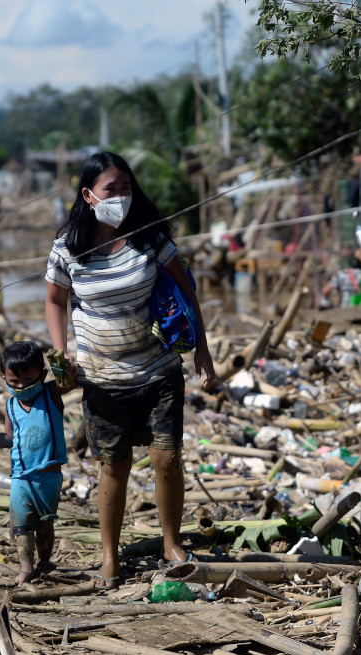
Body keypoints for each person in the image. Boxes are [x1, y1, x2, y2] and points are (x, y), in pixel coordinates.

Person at [45, 151, 216, 589]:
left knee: (166, 458)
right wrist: (60, 351)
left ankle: (171, 543)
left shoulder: (149, 236)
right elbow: (54, 301)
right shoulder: (68, 247)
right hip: (102, 377)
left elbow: (186, 289)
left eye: (125, 187)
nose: (120, 196)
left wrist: (203, 351)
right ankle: (109, 555)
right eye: (110, 189)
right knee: (114, 465)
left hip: (158, 367)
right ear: (88, 196)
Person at [0, 341, 73, 585]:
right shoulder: (11, 406)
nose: (21, 387)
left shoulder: (50, 394)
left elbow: (70, 383)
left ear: (42, 375)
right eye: (13, 382)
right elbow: (8, 439)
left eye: (28, 380)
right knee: (20, 525)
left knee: (45, 523)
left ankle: (45, 562)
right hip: (20, 477)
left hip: (48, 475)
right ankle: (26, 567)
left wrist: (67, 369)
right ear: (4, 378)